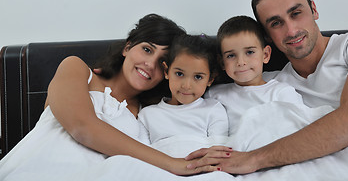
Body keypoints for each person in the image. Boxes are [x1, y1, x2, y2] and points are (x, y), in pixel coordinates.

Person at [0, 14, 221, 179]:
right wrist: (173, 164)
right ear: (127, 47)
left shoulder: (149, 115)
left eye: (161, 61)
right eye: (146, 49)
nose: (149, 64)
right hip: (34, 170)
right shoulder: (76, 69)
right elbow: (82, 127)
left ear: (167, 72)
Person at [186, 0, 348, 174]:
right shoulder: (269, 84)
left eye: (296, 13)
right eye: (276, 23)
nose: (291, 30)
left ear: (314, 9)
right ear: (266, 35)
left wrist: (253, 159)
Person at [204, 15, 308, 136]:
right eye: (231, 56)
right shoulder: (214, 95)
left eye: (249, 52)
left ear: (265, 55)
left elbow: (301, 132)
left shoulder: (282, 92)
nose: (241, 62)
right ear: (222, 62)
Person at [138, 34, 229, 158]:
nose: (186, 86)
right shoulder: (147, 115)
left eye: (198, 77)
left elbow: (219, 152)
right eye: (179, 74)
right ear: (166, 71)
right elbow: (141, 157)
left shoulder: (213, 109)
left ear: (210, 79)